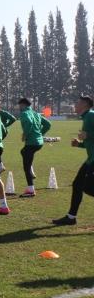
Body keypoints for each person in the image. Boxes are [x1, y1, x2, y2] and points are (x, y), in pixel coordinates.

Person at [52, 96, 94, 225]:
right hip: (90, 159)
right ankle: (71, 217)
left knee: (88, 187)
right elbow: (90, 142)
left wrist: (89, 135)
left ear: (85, 104)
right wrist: (79, 144)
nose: (75, 105)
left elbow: (90, 136)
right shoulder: (86, 117)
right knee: (77, 185)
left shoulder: (91, 115)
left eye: (78, 103)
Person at [17, 97, 51, 198]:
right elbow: (48, 124)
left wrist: (25, 134)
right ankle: (31, 170)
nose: (19, 107)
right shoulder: (36, 113)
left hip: (31, 142)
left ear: (23, 105)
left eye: (19, 105)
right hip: (39, 142)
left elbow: (29, 122)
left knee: (26, 166)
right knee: (23, 152)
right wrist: (40, 134)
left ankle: (31, 190)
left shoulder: (24, 113)